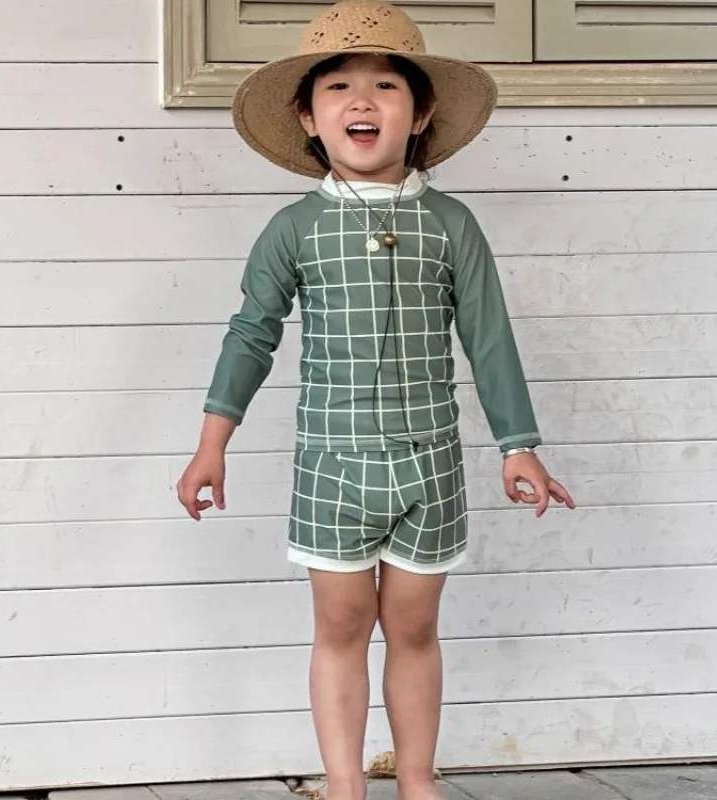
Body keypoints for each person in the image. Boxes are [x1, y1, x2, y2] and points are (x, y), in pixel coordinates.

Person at [177, 0, 576, 796]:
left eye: (387, 84)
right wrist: (211, 443)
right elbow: (251, 333)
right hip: (333, 469)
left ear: (420, 112)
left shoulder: (451, 224)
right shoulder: (294, 229)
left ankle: (419, 780)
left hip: (430, 469)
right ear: (309, 116)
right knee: (341, 627)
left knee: (415, 627)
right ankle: (345, 782)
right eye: (340, 88)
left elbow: (488, 337)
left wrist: (517, 445)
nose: (363, 102)